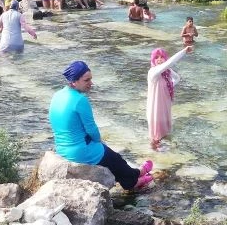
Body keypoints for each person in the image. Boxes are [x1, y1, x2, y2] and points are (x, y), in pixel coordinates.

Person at [49, 61, 154, 191]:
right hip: (79, 152)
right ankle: (135, 178)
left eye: (91, 79)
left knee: (110, 157)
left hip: (61, 149)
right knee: (115, 158)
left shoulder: (57, 95)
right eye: (87, 80)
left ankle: (134, 176)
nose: (91, 83)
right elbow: (91, 129)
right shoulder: (80, 100)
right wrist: (99, 141)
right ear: (74, 82)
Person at [147, 46, 193, 149]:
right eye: (156, 57)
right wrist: (184, 51)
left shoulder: (166, 72)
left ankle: (163, 154)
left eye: (162, 57)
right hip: (156, 108)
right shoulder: (153, 72)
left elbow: (177, 78)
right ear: (153, 60)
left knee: (165, 134)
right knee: (156, 137)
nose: (159, 59)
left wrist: (170, 84)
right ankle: (154, 155)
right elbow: (170, 62)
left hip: (165, 105)